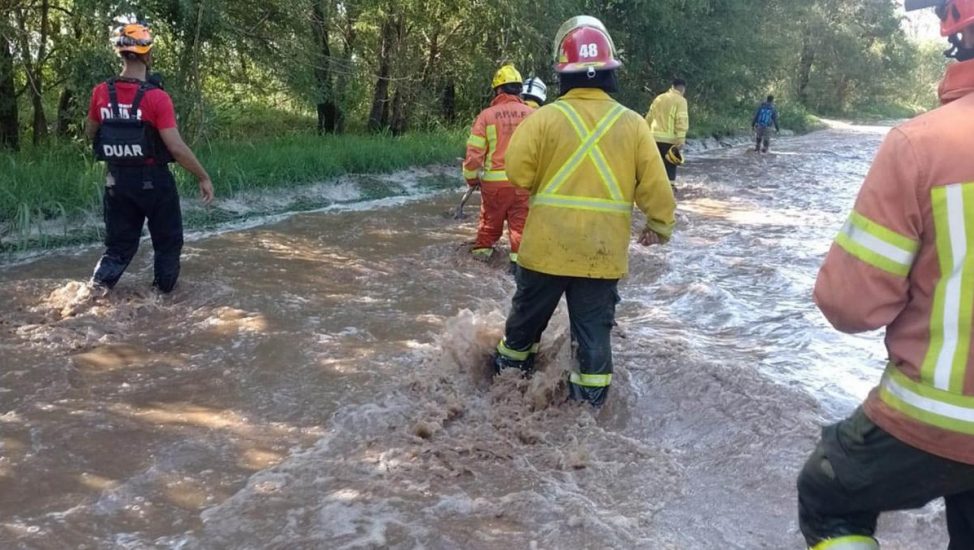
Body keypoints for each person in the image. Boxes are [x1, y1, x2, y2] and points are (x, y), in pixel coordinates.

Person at [796, 1, 974, 548]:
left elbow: (850, 306)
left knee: (827, 491)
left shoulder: (923, 145)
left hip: (943, 420)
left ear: (958, 33)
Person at [492, 16, 676, 407]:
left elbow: (517, 173)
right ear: (610, 72)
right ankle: (587, 412)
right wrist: (659, 226)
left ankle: (503, 393)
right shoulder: (634, 125)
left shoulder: (543, 119)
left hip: (544, 251)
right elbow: (657, 189)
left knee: (521, 332)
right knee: (593, 340)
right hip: (600, 256)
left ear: (563, 74)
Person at [86, 23, 213, 294]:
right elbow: (176, 148)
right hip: (154, 182)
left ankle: (93, 295)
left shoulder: (100, 92)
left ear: (121, 53)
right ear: (148, 54)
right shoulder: (157, 97)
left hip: (116, 181)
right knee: (167, 245)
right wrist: (203, 176)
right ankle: (163, 301)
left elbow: (91, 133)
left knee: (118, 249)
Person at [462, 64, 535, 271]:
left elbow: (474, 154)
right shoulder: (532, 115)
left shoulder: (487, 116)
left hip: (494, 187)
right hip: (523, 185)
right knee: (520, 230)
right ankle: (517, 270)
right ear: (519, 89)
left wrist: (472, 179)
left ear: (498, 90)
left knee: (488, 229)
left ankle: (480, 266)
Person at [646, 78, 689, 185]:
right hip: (669, 140)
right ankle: (670, 189)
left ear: (672, 86)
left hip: (653, 138)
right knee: (670, 165)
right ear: (683, 89)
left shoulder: (659, 98)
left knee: (655, 166)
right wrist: (681, 140)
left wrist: (644, 135)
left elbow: (649, 118)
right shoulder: (681, 101)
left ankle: (654, 188)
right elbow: (681, 120)